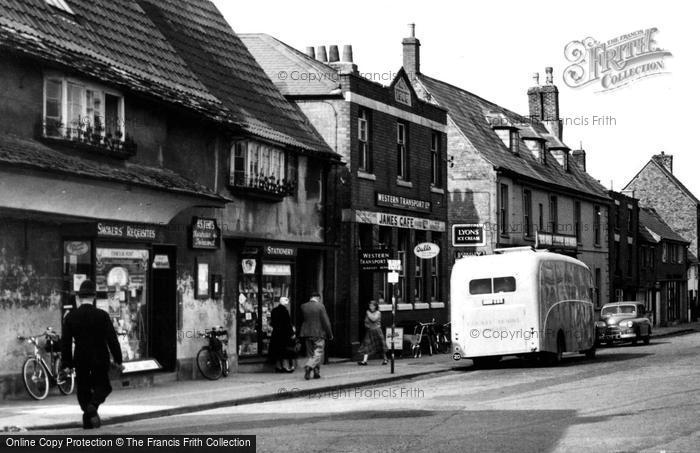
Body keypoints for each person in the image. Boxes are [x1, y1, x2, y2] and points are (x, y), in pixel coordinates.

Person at [61, 280, 124, 429]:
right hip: (100, 356)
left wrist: (67, 365)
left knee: (83, 388)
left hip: (81, 357)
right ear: (94, 297)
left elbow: (66, 343)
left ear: (79, 298)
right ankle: (94, 405)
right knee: (104, 386)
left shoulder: (70, 317)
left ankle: (88, 419)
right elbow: (112, 340)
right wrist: (118, 359)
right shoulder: (102, 315)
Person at [299, 292, 333, 380]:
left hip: (307, 333)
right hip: (318, 333)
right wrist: (330, 334)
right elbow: (326, 322)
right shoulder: (320, 306)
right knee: (318, 353)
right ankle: (308, 366)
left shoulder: (303, 306)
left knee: (311, 354)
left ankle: (316, 372)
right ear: (318, 298)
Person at [269, 297, 296, 373]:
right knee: (285, 351)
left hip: (276, 333)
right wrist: (292, 333)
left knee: (277, 351)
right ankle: (285, 366)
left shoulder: (274, 310)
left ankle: (278, 366)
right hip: (284, 334)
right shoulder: (285, 311)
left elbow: (272, 323)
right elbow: (287, 324)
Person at [357, 300, 388, 365]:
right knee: (366, 345)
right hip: (370, 331)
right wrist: (367, 325)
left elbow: (374, 319)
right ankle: (364, 361)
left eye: (372, 306)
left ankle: (385, 359)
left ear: (375, 306)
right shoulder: (368, 312)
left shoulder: (378, 312)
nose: (371, 307)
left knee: (380, 345)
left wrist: (368, 313)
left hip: (377, 330)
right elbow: (366, 321)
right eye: (370, 306)